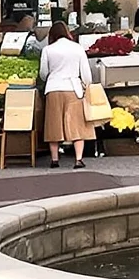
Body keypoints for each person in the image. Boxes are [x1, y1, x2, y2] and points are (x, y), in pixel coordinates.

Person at [39, 18, 95, 169]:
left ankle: (55, 160)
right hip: (73, 88)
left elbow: (43, 73)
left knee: (53, 124)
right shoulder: (77, 48)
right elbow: (86, 74)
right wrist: (86, 86)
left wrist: (50, 76)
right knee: (77, 124)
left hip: (53, 88)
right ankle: (78, 159)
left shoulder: (48, 50)